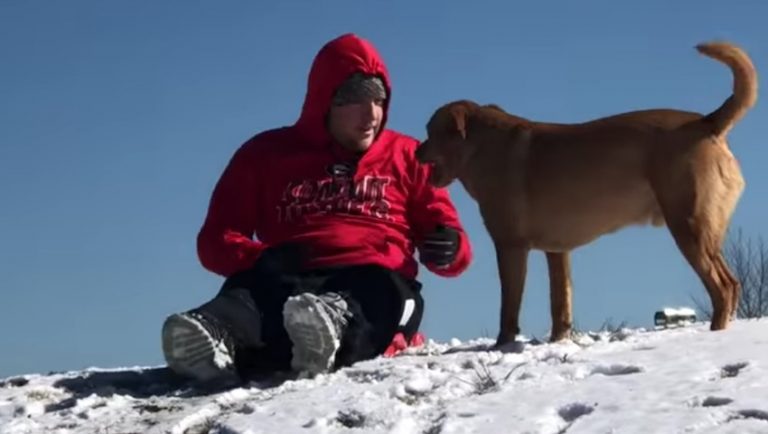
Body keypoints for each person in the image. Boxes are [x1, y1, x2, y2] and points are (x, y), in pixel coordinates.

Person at [161, 33, 472, 385]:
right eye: (354, 99)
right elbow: (215, 240)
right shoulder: (265, 154)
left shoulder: (409, 155)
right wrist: (258, 259)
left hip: (371, 279)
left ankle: (332, 328)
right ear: (325, 101)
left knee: (385, 290)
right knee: (249, 291)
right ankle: (214, 333)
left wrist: (450, 247)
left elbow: (452, 243)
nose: (371, 113)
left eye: (379, 99)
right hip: (287, 277)